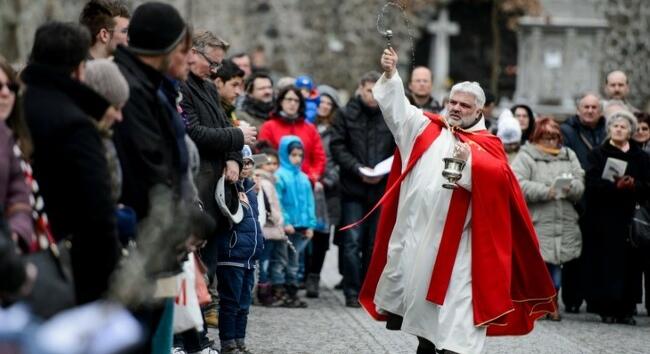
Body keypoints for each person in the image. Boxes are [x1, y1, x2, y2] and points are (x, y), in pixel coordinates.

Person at [357, 47, 555, 353]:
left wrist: (471, 162)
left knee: (459, 316)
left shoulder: (486, 145)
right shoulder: (426, 128)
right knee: (424, 312)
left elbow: (501, 180)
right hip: (422, 240)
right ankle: (426, 346)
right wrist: (391, 74)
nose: (456, 108)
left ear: (480, 112)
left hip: (463, 246)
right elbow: (397, 109)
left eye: (465, 105)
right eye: (453, 102)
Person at [21, 22, 120, 306]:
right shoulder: (75, 124)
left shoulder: (17, 105)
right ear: (79, 68)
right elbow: (98, 209)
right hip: (66, 259)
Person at [330, 71, 395, 307]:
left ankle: (368, 290)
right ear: (361, 89)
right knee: (352, 241)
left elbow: (398, 147)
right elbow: (337, 147)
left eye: (377, 91)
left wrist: (382, 171)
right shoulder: (346, 114)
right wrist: (357, 168)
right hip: (353, 188)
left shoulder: (389, 115)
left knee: (374, 243)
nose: (372, 96)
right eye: (369, 90)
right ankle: (351, 289)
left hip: (380, 189)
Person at [511, 118, 585, 321]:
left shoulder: (568, 155)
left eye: (554, 137)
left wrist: (571, 188)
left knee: (558, 262)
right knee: (541, 264)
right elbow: (517, 184)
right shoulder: (526, 156)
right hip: (538, 218)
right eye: (546, 137)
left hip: (564, 218)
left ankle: (553, 302)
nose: (551, 142)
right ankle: (537, 302)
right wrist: (546, 191)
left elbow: (580, 182)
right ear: (537, 136)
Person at [582, 110, 649, 325]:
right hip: (604, 218)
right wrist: (613, 186)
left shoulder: (641, 156)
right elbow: (590, 184)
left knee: (631, 265)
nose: (619, 129)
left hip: (631, 218)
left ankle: (627, 309)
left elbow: (648, 186)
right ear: (609, 129)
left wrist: (634, 185)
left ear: (630, 131)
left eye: (623, 126)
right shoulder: (597, 154)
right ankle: (606, 309)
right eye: (615, 126)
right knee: (606, 263)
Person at [559, 92, 607, 314]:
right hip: (577, 197)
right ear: (578, 110)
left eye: (593, 107)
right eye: (585, 107)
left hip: (601, 197)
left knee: (598, 251)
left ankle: (595, 297)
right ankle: (572, 298)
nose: (589, 111)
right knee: (573, 251)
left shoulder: (607, 130)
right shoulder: (567, 131)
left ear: (600, 111)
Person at [215, 147, 264, 354]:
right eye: (243, 162)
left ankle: (239, 340)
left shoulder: (252, 188)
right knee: (230, 301)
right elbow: (230, 217)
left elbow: (256, 220)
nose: (247, 167)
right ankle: (228, 342)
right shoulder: (227, 186)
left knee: (244, 303)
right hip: (232, 255)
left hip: (249, 257)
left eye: (251, 162)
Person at [304, 84, 342, 298]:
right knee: (303, 231)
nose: (325, 106)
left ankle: (314, 277)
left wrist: (328, 180)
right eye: (322, 102)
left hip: (327, 190)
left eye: (329, 103)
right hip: (305, 186)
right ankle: (300, 273)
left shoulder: (337, 130)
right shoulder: (307, 125)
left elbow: (338, 160)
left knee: (321, 236)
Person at [274, 135, 316, 308]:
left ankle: (292, 292)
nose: (297, 159)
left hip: (301, 228)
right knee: (281, 260)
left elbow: (309, 203)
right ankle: (278, 291)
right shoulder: (279, 176)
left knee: (296, 262)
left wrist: (311, 224)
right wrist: (285, 222)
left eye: (300, 155)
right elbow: (278, 202)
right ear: (285, 154)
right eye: (293, 155)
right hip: (286, 228)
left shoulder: (304, 178)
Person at [259, 86, 326, 184]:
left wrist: (312, 177)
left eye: (296, 100)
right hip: (277, 182)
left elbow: (320, 158)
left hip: (305, 182)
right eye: (289, 99)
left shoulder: (310, 128)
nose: (293, 103)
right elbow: (262, 156)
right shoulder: (268, 127)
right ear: (281, 101)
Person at [0, 58, 33, 250]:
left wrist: (17, 231)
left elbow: (19, 195)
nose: (5, 93)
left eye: (10, 87)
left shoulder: (17, 140)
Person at [253, 148, 287, 306]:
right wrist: (279, 220)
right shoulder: (265, 182)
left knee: (263, 261)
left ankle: (262, 291)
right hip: (267, 229)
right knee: (264, 262)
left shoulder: (270, 180)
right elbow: (270, 207)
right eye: (268, 163)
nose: (272, 166)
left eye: (274, 163)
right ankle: (263, 293)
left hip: (266, 229)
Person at [213, 59, 245, 124]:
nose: (238, 92)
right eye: (234, 85)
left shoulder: (229, 109)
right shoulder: (209, 110)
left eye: (239, 86)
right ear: (218, 83)